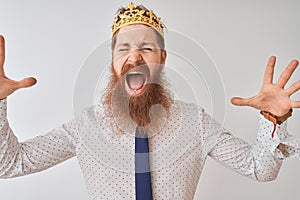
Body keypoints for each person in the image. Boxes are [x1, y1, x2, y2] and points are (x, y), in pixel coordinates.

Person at [0, 2, 299, 200]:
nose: (134, 57)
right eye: (124, 49)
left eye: (146, 47)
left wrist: (272, 120)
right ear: (114, 61)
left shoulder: (194, 122)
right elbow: (10, 164)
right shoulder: (85, 127)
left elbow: (261, 170)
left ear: (162, 59)